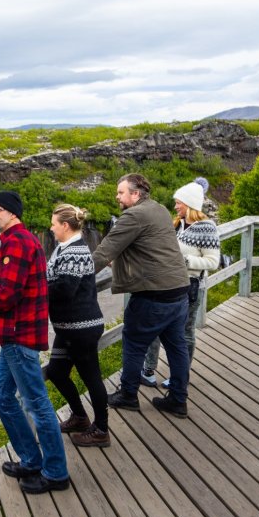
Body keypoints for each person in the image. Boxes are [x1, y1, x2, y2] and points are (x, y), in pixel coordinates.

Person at [0, 191, 70, 494]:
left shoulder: (16, 243)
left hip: (19, 334)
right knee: (1, 396)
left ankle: (55, 473)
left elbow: (9, 294)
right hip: (16, 333)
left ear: (12, 212)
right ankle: (31, 459)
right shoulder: (22, 240)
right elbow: (12, 288)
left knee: (38, 405)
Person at [91, 173, 192, 418]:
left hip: (154, 294)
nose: (117, 197)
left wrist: (66, 278)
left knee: (134, 343)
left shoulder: (133, 215)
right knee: (177, 346)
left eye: (120, 192)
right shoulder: (157, 209)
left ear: (135, 194)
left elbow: (102, 254)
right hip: (179, 290)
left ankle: (128, 395)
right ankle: (178, 400)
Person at [41, 204, 111, 448]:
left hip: (81, 328)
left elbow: (65, 289)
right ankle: (80, 417)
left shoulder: (75, 252)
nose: (51, 227)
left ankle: (101, 430)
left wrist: (33, 293)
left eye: (54, 223)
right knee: (57, 372)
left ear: (65, 226)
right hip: (69, 328)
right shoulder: (65, 249)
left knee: (91, 377)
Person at [141, 178, 221, 389]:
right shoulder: (176, 224)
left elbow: (213, 262)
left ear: (191, 204)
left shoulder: (207, 228)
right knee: (156, 328)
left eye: (179, 203)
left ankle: (179, 376)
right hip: (167, 285)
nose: (175, 206)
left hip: (191, 287)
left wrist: (184, 261)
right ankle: (148, 370)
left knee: (185, 332)